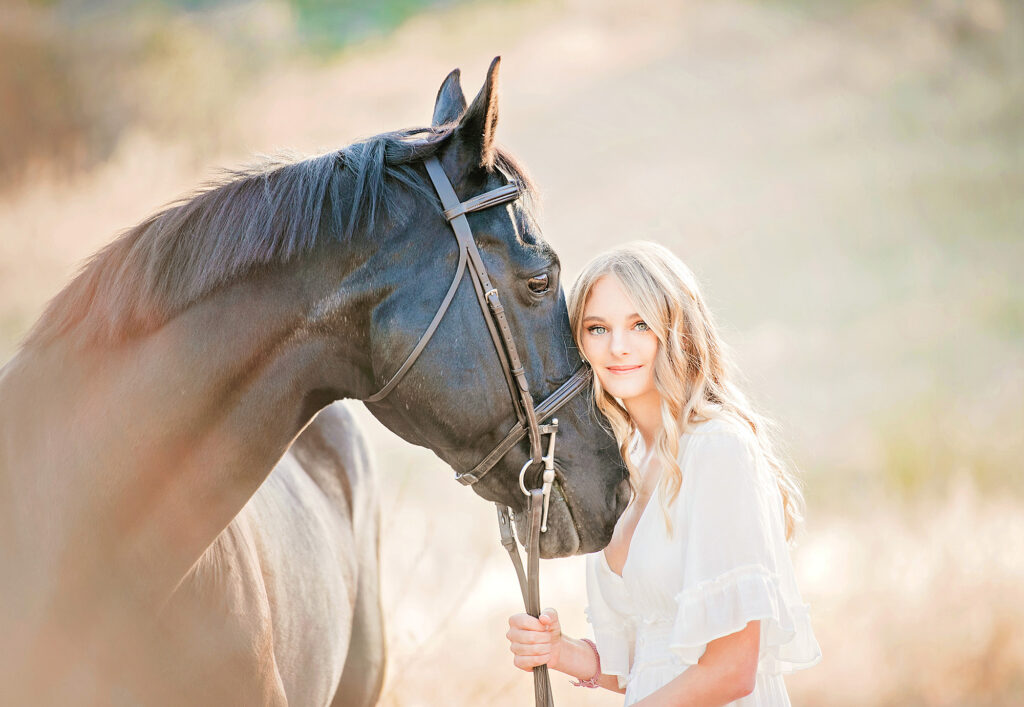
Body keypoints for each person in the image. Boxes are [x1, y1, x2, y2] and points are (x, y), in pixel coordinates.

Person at [506, 242, 821, 706]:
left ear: (676, 332)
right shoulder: (627, 459)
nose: (618, 346)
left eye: (640, 325)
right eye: (598, 328)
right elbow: (652, 659)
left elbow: (732, 670)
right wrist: (560, 650)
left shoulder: (717, 448)